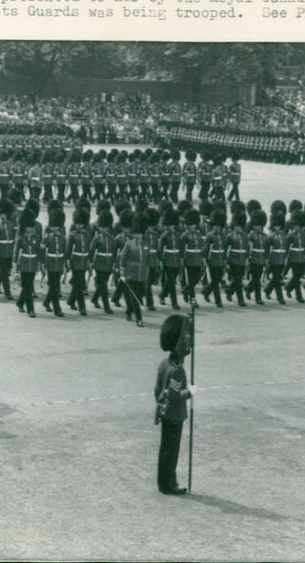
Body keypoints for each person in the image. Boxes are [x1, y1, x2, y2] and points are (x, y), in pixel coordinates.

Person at [154, 313, 196, 495]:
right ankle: (169, 484)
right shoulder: (178, 371)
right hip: (174, 415)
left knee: (165, 450)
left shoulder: (165, 364)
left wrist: (160, 403)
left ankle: (163, 482)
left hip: (164, 413)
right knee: (172, 452)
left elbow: (158, 390)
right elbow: (175, 396)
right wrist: (190, 392)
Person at [119, 212, 149, 327]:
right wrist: (122, 273)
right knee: (136, 298)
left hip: (142, 275)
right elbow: (122, 258)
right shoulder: (129, 244)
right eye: (136, 234)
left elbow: (148, 260)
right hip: (131, 274)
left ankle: (128, 311)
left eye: (139, 234)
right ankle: (139, 319)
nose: (138, 236)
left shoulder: (146, 244)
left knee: (139, 296)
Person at [13, 208, 39, 318]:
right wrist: (15, 266)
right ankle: (31, 309)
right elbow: (16, 253)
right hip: (23, 264)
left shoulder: (36, 238)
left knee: (27, 287)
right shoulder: (20, 238)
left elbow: (38, 252)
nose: (30, 232)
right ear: (24, 228)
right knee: (27, 287)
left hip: (32, 264)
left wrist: (40, 263)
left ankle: (20, 302)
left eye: (31, 230)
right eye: (28, 230)